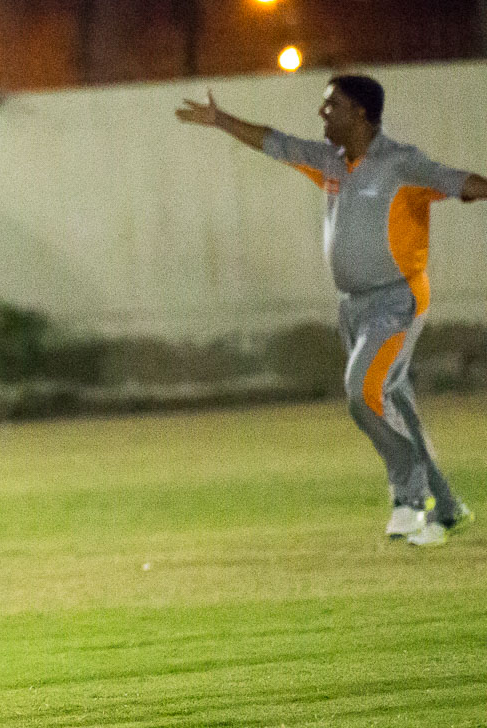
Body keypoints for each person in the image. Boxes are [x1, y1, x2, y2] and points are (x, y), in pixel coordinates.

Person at [176, 76, 487, 546]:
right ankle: (447, 509)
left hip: (396, 301)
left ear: (360, 113)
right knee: (393, 405)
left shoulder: (400, 163)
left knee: (362, 392)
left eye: (331, 105)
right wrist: (221, 120)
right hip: (353, 308)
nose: (322, 113)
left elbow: (463, 182)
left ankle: (411, 499)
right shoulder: (332, 162)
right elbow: (275, 142)